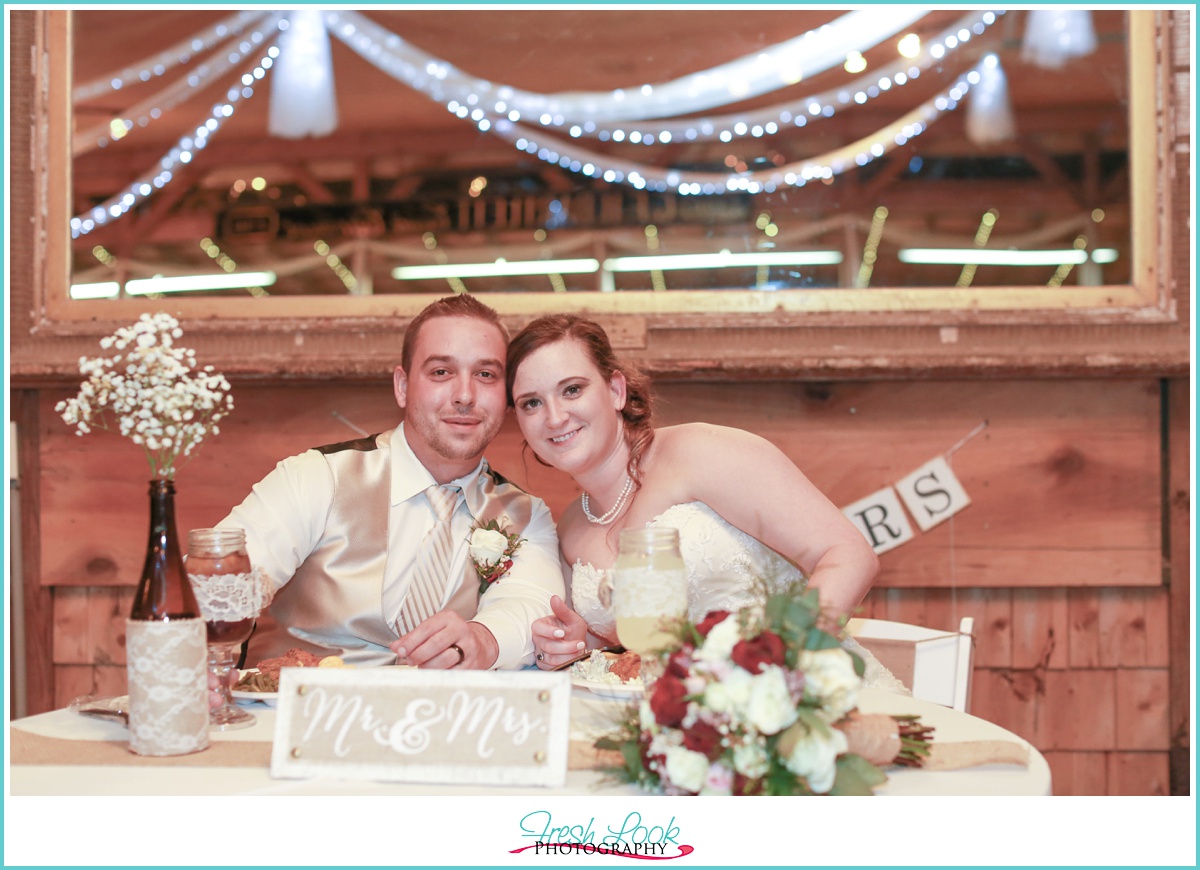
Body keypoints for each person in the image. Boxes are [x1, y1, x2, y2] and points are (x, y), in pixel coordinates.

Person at [506, 314, 900, 689]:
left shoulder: (702, 452)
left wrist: (775, 669)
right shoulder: (572, 526)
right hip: (681, 727)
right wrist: (578, 642)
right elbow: (625, 647)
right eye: (531, 403)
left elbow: (848, 555)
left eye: (572, 389)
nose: (555, 417)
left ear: (615, 390)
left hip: (802, 698)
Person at [217, 295, 565, 669]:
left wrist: (485, 639)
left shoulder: (527, 515)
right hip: (294, 716)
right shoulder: (317, 477)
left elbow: (529, 605)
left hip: (441, 720)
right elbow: (216, 582)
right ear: (402, 386)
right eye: (441, 372)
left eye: (485, 375)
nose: (465, 396)